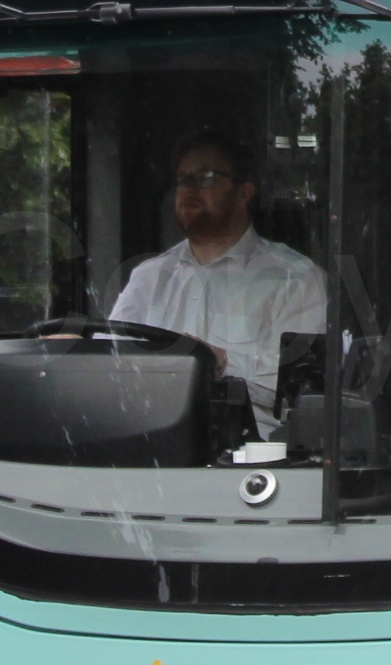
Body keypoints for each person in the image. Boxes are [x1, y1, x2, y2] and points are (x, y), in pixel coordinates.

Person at [107, 130, 329, 438]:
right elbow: (111, 366)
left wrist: (221, 362)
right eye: (183, 179)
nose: (189, 188)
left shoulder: (297, 278)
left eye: (206, 178)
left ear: (243, 193)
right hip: (149, 449)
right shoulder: (148, 277)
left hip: (252, 457)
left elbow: (302, 391)